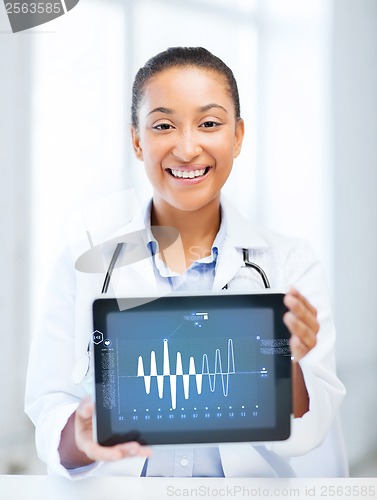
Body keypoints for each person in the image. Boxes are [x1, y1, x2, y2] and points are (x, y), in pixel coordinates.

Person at [25, 47, 346, 478]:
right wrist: (81, 438)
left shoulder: (292, 263)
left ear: (237, 136)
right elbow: (50, 411)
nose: (188, 147)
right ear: (137, 140)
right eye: (163, 126)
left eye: (210, 123)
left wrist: (285, 360)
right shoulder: (83, 261)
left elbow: (311, 431)